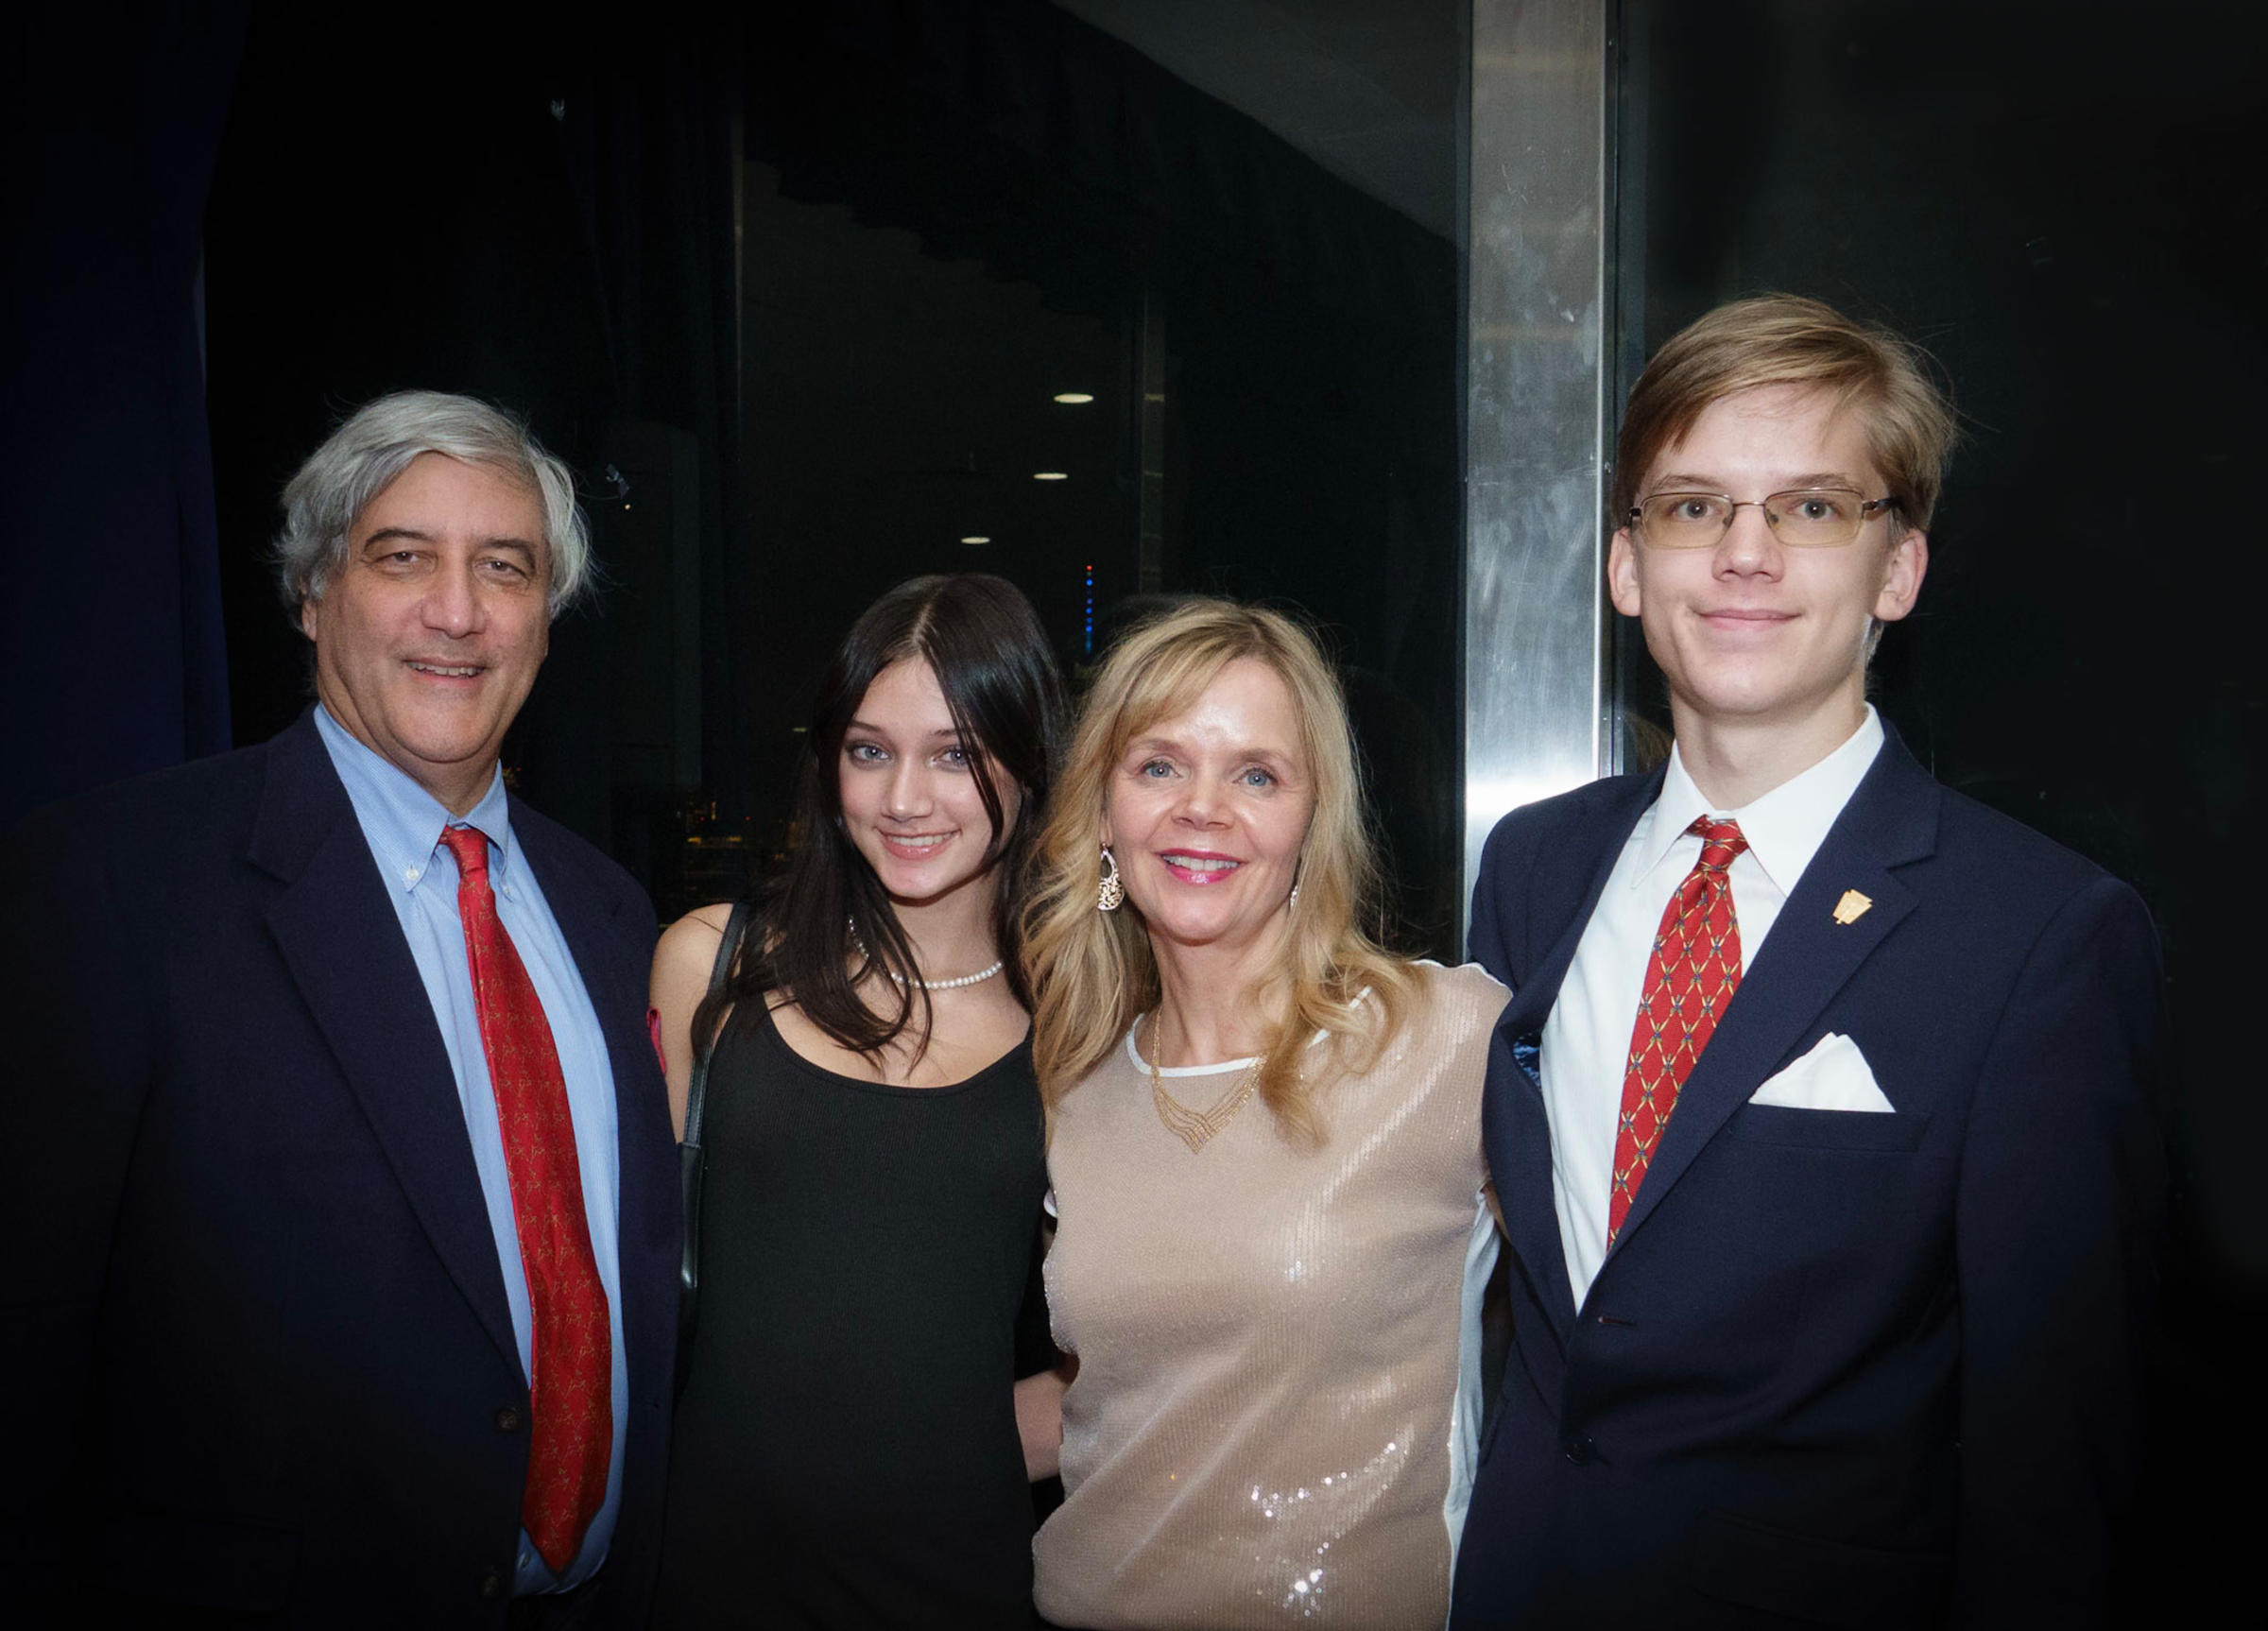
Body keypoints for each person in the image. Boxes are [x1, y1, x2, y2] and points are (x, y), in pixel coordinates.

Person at [1451, 295, 2169, 1627]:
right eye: (1693, 506)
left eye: (1813, 509)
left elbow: (2056, 1460)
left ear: (1897, 571)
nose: (1745, 553)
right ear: (1627, 564)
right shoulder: (1533, 868)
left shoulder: (2042, 937)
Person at [0, 391, 681, 1627]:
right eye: (403, 556)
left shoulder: (610, 912)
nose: (459, 611)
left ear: (545, 624)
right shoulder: (110, 884)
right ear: (313, 596)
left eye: (506, 568)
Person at [1023, 600, 1509, 1629]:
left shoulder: (1442, 1038)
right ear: (1103, 813)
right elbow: (1113, 1394)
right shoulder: (1074, 1092)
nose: (1204, 808)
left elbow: (1613, 1307)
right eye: (1158, 766)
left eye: (1256, 774)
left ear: (1310, 818)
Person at [648, 574, 1066, 1628]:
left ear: (1028, 761)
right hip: (709, 1571)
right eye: (870, 750)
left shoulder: (1078, 1032)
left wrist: (946, 1453)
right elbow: (635, 1282)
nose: (905, 798)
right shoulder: (712, 963)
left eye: (957, 755)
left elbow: (1127, 1356)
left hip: (958, 1577)